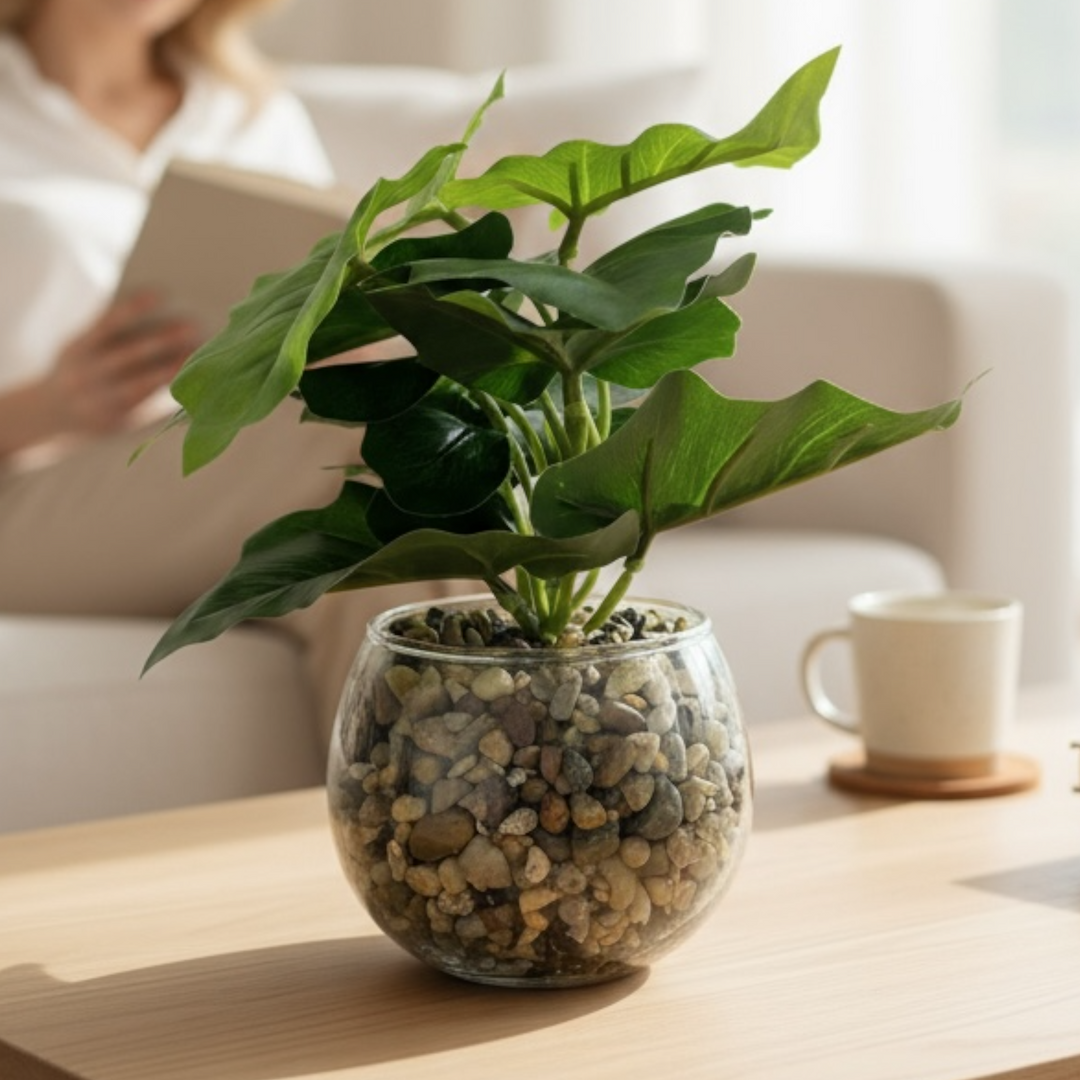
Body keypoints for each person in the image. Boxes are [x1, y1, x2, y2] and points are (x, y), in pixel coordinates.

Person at [0, 0, 452, 750]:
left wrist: (342, 345)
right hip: (27, 488)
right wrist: (55, 405)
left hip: (210, 474)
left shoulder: (250, 112)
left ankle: (424, 847)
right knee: (387, 446)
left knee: (369, 565)